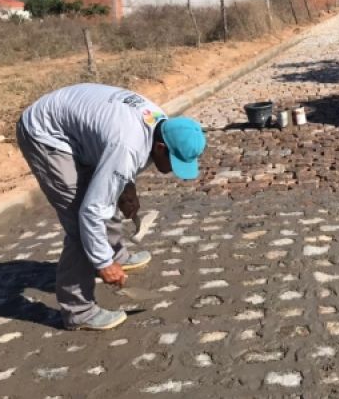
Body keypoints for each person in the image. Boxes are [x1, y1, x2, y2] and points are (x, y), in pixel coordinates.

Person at [16, 83, 206, 330]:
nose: (173, 171)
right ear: (160, 148)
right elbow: (91, 211)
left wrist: (127, 189)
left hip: (77, 125)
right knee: (80, 226)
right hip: (46, 136)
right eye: (173, 163)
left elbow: (118, 165)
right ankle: (79, 311)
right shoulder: (126, 147)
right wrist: (102, 263)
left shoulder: (161, 124)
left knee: (108, 191)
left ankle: (116, 254)